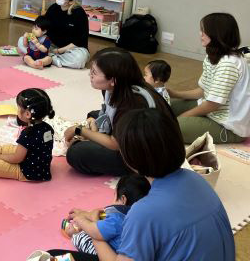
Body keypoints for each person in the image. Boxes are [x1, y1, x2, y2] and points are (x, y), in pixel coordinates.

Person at [47, 108, 235, 261]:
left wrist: (96, 230)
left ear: (131, 158)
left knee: (52, 256)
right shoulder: (196, 180)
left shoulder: (144, 212)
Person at [64, 47, 174, 176]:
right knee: (93, 114)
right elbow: (108, 112)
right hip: (133, 135)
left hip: (147, 157)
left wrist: (79, 130)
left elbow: (115, 144)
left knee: (76, 153)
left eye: (94, 72)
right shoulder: (116, 86)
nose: (90, 75)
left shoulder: (132, 101)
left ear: (113, 80)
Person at [168, 13, 250, 143]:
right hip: (212, 112)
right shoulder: (212, 56)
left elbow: (212, 105)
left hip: (229, 127)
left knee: (171, 127)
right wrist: (173, 93)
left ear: (217, 34)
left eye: (204, 31)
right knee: (165, 106)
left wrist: (182, 117)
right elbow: (203, 91)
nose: (200, 34)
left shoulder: (229, 63)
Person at [0, 88, 55, 182]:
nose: (17, 110)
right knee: (9, 148)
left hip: (29, 173)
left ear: (27, 114)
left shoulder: (27, 134)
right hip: (42, 168)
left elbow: (17, 158)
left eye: (18, 108)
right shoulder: (48, 128)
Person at [62, 174, 150, 255]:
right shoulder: (143, 216)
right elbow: (104, 214)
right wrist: (87, 215)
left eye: (115, 195)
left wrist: (80, 220)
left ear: (123, 199)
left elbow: (95, 231)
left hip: (112, 253)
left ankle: (73, 233)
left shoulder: (116, 220)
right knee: (100, 217)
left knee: (84, 236)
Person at [19, 0, 89, 69]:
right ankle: (48, 58)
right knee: (21, 40)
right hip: (50, 45)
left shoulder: (79, 14)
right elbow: (43, 26)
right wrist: (32, 36)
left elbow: (79, 41)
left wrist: (59, 51)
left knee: (79, 59)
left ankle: (50, 58)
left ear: (71, 1)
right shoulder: (54, 8)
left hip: (70, 49)